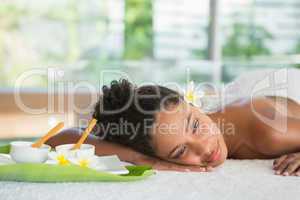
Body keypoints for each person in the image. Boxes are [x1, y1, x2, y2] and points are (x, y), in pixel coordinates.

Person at [46, 78, 300, 176]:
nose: (203, 148)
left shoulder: (270, 134)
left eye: (195, 125)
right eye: (179, 152)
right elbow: (60, 139)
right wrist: (141, 158)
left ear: (190, 104)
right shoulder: (161, 128)